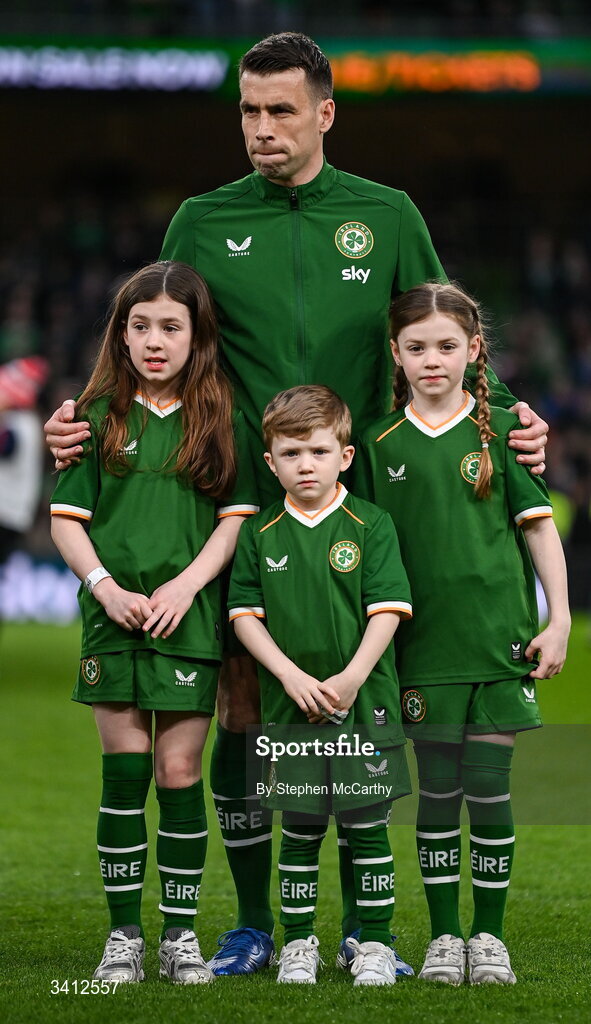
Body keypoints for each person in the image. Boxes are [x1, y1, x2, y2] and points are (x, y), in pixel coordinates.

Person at [43, 32, 549, 976]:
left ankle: (366, 929)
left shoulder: (385, 214)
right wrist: (85, 422)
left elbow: (442, 336)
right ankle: (251, 923)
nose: (262, 129)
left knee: (357, 714)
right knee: (241, 705)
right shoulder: (200, 218)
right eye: (248, 110)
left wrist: (514, 421)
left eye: (282, 110)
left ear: (324, 112)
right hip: (235, 501)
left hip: (366, 504)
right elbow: (156, 334)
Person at [354, 282, 570, 985]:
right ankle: (445, 938)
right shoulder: (376, 444)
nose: (431, 359)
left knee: (491, 790)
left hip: (497, 641)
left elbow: (537, 529)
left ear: (473, 350)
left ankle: (489, 937)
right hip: (422, 650)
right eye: (415, 347)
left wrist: (557, 618)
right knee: (438, 795)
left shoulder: (501, 432)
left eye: (447, 345)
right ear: (395, 353)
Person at [49, 262, 258, 984]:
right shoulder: (97, 411)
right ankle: (122, 939)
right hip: (114, 620)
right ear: (122, 333)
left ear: (197, 335)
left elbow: (234, 518)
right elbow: (66, 521)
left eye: (171, 326)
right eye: (140, 326)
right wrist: (105, 588)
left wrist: (186, 585)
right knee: (124, 776)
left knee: (177, 773)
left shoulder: (221, 413)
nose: (154, 340)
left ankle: (179, 935)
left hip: (187, 620)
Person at [229, 385, 413, 985]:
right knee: (300, 829)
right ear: (270, 462)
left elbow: (387, 609)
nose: (305, 465)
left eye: (317, 451)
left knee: (367, 829)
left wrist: (353, 677)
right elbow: (243, 616)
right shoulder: (259, 535)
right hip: (290, 707)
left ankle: (374, 945)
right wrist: (289, 675)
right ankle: (300, 944)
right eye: (290, 454)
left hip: (364, 705)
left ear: (346, 456)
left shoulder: (372, 524)